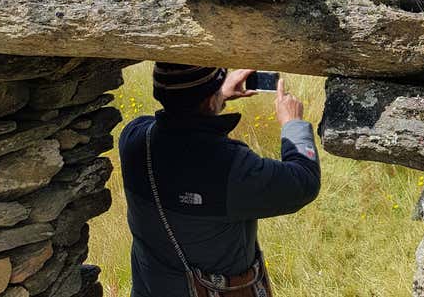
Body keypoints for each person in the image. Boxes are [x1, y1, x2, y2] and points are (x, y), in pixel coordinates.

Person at [119, 64, 322, 297]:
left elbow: (176, 121)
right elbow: (304, 182)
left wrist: (216, 95)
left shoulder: (133, 140)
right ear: (207, 101)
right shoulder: (228, 166)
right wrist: (292, 124)